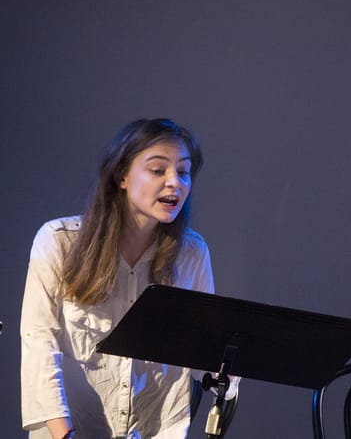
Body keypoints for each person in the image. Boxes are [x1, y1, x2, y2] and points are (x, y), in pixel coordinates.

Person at [20, 118, 230, 439]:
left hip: (156, 429)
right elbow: (39, 344)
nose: (175, 182)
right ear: (122, 175)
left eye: (183, 172)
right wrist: (64, 434)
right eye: (158, 170)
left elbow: (205, 353)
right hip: (71, 427)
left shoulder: (192, 253)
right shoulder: (58, 241)